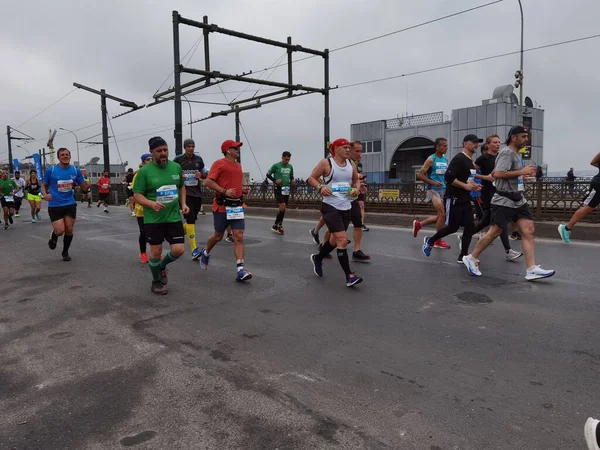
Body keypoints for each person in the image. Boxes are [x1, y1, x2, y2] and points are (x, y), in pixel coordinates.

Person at [463, 126, 555, 280]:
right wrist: (521, 172)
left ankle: (531, 269)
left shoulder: (516, 154)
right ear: (514, 137)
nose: (526, 139)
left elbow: (500, 173)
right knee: (495, 232)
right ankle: (471, 258)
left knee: (529, 230)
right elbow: (498, 174)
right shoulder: (507, 152)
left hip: (518, 199)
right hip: (504, 199)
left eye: (527, 136)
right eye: (523, 136)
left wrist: (521, 177)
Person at [133, 137, 188, 294]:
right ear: (152, 152)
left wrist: (183, 204)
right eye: (159, 151)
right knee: (155, 252)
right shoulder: (144, 172)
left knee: (178, 250)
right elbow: (137, 196)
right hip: (153, 219)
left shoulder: (176, 167)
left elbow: (181, 187)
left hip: (173, 216)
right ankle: (156, 281)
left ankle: (162, 266)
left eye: (165, 150)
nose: (163, 153)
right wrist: (151, 204)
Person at [308, 138, 363, 287]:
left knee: (334, 241)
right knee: (342, 239)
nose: (348, 150)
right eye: (345, 147)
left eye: (348, 148)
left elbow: (355, 180)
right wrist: (321, 187)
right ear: (336, 148)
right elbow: (311, 178)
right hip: (330, 207)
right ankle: (349, 276)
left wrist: (356, 189)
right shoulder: (327, 163)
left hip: (346, 206)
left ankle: (318, 258)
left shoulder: (351, 164)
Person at [457, 135, 522, 261]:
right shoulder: (483, 158)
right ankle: (508, 251)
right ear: (488, 145)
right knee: (500, 221)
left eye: (499, 142)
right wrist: (485, 177)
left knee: (487, 221)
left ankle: (466, 236)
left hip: (499, 191)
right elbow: (471, 173)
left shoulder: (501, 156)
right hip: (488, 193)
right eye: (494, 142)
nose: (498, 144)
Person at [422, 135, 482, 262]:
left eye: (478, 143)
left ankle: (463, 255)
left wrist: (473, 186)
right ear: (465, 144)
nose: (477, 145)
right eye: (474, 142)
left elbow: (467, 179)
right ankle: (431, 240)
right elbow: (448, 178)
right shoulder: (458, 159)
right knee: (452, 228)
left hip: (465, 198)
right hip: (453, 198)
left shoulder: (470, 161)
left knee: (470, 226)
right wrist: (465, 186)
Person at [200, 139, 252, 282]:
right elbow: (208, 182)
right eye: (235, 148)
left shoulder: (238, 166)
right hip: (222, 206)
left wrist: (243, 190)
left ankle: (240, 270)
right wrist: (224, 191)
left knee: (239, 236)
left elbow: (234, 184)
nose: (238, 150)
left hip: (236, 206)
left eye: (238, 148)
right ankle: (206, 252)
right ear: (228, 150)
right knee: (218, 236)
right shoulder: (219, 164)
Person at [42, 148, 90, 261]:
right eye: (62, 155)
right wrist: (45, 194)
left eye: (67, 154)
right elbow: (44, 185)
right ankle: (54, 235)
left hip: (70, 203)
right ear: (58, 157)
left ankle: (65, 252)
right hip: (55, 204)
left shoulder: (75, 170)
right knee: (60, 231)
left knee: (69, 229)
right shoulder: (51, 170)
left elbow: (83, 187)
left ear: (70, 156)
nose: (65, 156)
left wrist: (87, 186)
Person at [412, 137, 451, 249]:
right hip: (433, 189)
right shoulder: (431, 159)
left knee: (441, 216)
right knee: (442, 214)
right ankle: (438, 240)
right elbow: (419, 175)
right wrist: (433, 182)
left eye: (446, 145)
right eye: (444, 145)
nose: (446, 147)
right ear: (437, 147)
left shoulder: (445, 159)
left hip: (444, 189)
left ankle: (419, 224)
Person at [173, 138, 208, 260]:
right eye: (189, 146)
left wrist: (201, 175)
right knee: (190, 219)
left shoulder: (198, 159)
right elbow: (171, 172)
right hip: (184, 194)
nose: (191, 148)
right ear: (184, 147)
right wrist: (179, 176)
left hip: (197, 193)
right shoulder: (178, 159)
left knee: (191, 220)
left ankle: (176, 234)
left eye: (193, 146)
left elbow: (206, 173)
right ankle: (194, 249)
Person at [558, 152, 600, 243]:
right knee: (588, 208)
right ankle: (566, 228)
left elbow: (593, 162)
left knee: (589, 208)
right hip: (598, 186)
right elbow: (593, 162)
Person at [131, 153, 153, 263]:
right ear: (143, 162)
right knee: (144, 232)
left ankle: (155, 253)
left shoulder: (156, 172)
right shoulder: (138, 174)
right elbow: (136, 191)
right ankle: (143, 252)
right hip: (142, 209)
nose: (150, 161)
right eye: (147, 159)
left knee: (155, 232)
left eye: (151, 159)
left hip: (154, 208)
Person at [266, 151, 294, 235]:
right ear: (282, 157)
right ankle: (279, 225)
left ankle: (275, 225)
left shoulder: (290, 166)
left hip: (286, 189)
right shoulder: (276, 165)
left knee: (283, 208)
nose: (287, 161)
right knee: (282, 206)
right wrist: (275, 180)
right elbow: (268, 174)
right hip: (278, 188)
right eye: (285, 159)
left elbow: (291, 176)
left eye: (288, 160)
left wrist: (292, 180)